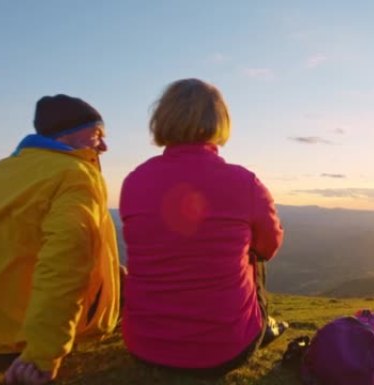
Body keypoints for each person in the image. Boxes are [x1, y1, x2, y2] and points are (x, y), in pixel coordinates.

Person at [120, 78, 286, 378]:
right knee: (254, 254)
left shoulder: (134, 181)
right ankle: (262, 324)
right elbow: (269, 247)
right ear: (219, 121)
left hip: (143, 347)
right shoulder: (244, 183)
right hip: (225, 350)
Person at [0, 95, 121, 385]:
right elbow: (63, 265)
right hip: (17, 341)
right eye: (97, 134)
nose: (104, 146)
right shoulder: (73, 175)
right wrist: (42, 354)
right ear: (65, 133)